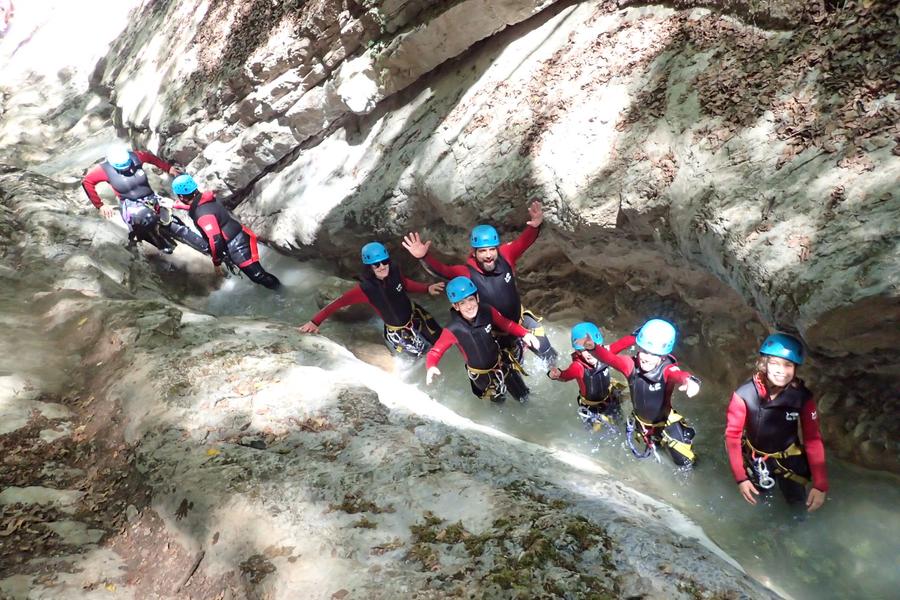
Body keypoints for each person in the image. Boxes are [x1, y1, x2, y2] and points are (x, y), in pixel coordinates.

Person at [402, 200, 556, 365]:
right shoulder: (466, 272)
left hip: (520, 320)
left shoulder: (506, 254)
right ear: (474, 253)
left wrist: (535, 226)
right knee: (515, 374)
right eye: (482, 251)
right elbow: (442, 270)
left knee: (550, 356)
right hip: (498, 333)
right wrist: (423, 257)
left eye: (492, 249)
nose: (489, 255)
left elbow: (523, 242)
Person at [725, 333, 828, 512]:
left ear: (795, 368)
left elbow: (812, 439)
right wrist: (741, 478)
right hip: (757, 460)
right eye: (775, 363)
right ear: (764, 364)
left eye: (788, 365)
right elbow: (732, 436)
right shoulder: (745, 394)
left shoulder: (802, 397)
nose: (782, 370)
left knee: (798, 507)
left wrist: (820, 485)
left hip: (790, 461)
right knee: (761, 502)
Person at [297, 242, 445, 359]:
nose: (382, 267)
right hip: (399, 332)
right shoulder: (366, 289)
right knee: (422, 356)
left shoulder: (394, 271)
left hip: (415, 314)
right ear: (370, 267)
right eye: (376, 264)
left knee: (441, 340)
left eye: (384, 261)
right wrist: (315, 322)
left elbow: (405, 284)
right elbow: (337, 303)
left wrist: (427, 288)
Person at [590, 319, 701, 466]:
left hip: (666, 426)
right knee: (656, 454)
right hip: (642, 425)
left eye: (653, 354)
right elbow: (609, 358)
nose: (646, 358)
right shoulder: (630, 365)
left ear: (663, 356)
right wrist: (592, 348)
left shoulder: (667, 370)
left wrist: (690, 381)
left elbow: (680, 375)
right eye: (644, 351)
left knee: (684, 463)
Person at [426, 276, 539, 403]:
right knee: (499, 404)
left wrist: (525, 334)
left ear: (477, 298)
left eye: (470, 299)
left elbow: (506, 324)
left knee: (524, 397)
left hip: (501, 365)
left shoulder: (487, 311)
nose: (469, 306)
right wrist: (431, 366)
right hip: (482, 377)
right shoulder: (453, 329)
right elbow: (436, 351)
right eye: (462, 303)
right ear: (456, 306)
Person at [82, 147, 208, 254]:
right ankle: (162, 244)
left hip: (151, 199)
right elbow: (87, 182)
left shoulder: (136, 157)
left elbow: (151, 158)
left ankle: (207, 249)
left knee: (176, 226)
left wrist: (168, 168)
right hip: (131, 205)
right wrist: (100, 205)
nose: (126, 169)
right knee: (147, 218)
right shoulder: (104, 170)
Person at [171, 174, 280, 289]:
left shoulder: (203, 215)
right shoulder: (207, 197)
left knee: (258, 276)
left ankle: (281, 290)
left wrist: (216, 262)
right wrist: (178, 206)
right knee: (258, 274)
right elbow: (201, 207)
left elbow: (216, 240)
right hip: (240, 233)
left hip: (237, 245)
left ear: (181, 197)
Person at [548, 322, 631, 433]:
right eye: (584, 350)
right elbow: (566, 375)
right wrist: (558, 374)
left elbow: (622, 344)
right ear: (577, 352)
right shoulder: (578, 367)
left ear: (599, 346)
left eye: (591, 348)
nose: (589, 353)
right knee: (594, 434)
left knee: (619, 425)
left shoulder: (606, 353)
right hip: (591, 408)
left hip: (610, 399)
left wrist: (637, 336)